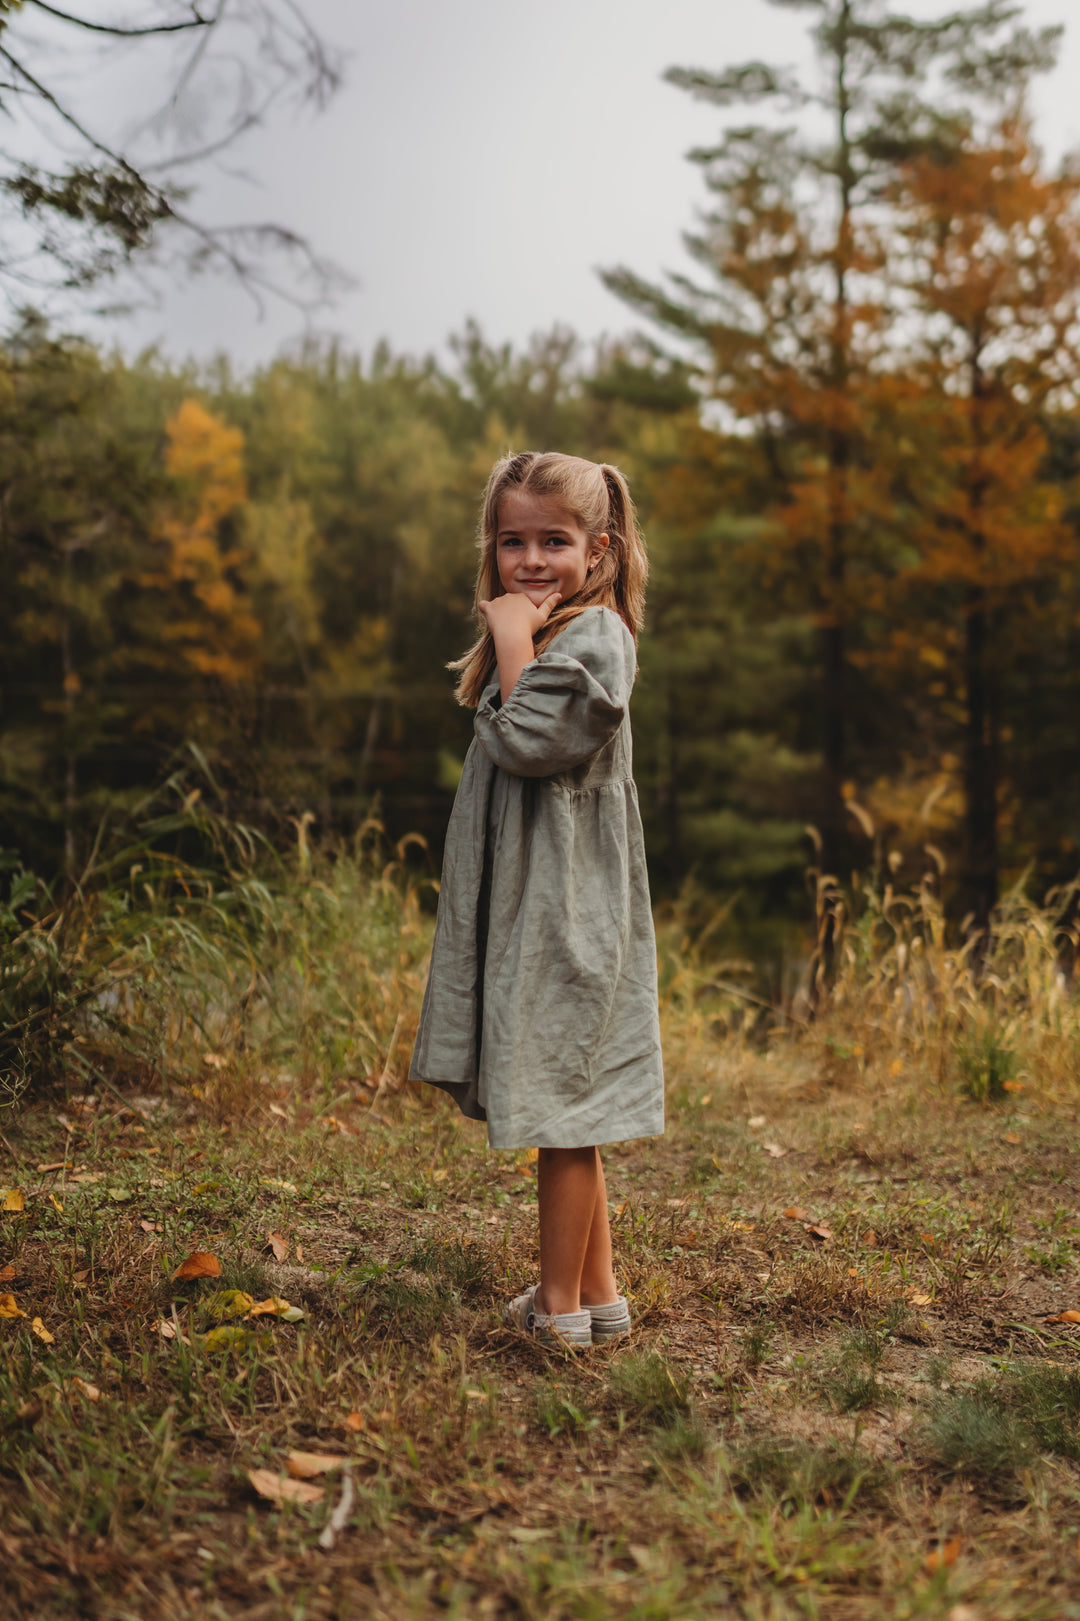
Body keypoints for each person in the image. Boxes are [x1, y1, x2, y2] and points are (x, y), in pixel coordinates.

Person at [409, 451, 664, 1348]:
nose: (529, 561)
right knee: (573, 1104)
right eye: (511, 541)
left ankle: (557, 1312)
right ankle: (599, 1295)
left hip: (569, 913)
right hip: (543, 905)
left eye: (553, 540)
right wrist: (517, 640)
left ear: (600, 548)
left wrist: (512, 637)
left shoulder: (595, 639)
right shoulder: (562, 634)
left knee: (565, 1110)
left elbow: (528, 741)